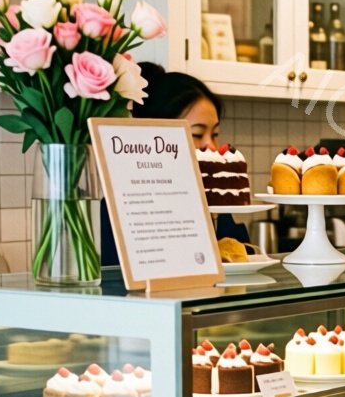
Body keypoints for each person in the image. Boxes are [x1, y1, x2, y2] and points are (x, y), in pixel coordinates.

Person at [99, 65, 249, 264]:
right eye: (197, 134)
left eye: (215, 135)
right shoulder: (122, 207)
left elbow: (242, 259)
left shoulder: (213, 199)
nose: (211, 147)